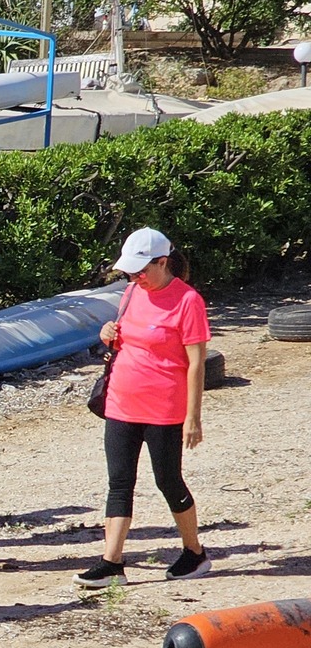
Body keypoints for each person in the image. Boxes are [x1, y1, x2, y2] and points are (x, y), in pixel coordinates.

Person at [76, 227, 212, 587]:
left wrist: (193, 417)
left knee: (168, 480)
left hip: (164, 407)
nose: (134, 277)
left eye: (140, 270)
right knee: (119, 481)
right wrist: (108, 332)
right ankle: (111, 562)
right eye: (130, 272)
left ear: (162, 262)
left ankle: (194, 552)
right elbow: (123, 337)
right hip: (121, 401)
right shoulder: (133, 292)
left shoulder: (188, 301)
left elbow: (197, 362)